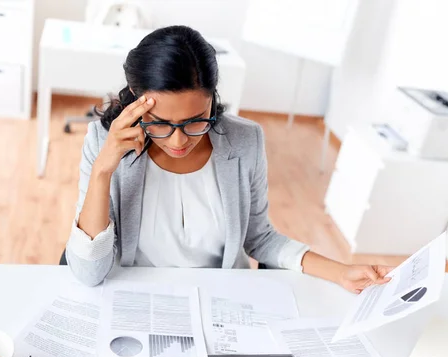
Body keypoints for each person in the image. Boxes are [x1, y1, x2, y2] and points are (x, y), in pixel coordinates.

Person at [65, 25, 393, 293]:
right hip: (136, 298)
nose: (179, 140)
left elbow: (259, 237)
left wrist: (341, 272)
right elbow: (89, 273)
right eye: (162, 124)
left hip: (221, 300)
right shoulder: (103, 142)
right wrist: (103, 169)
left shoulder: (245, 140)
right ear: (137, 103)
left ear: (213, 100)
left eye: (196, 120)